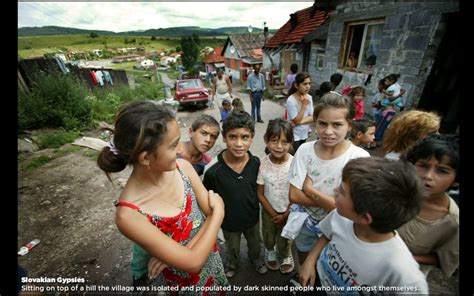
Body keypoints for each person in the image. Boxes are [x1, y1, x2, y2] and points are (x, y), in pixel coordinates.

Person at [96, 100, 228, 290]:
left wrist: (178, 254)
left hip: (213, 264)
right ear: (146, 157)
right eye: (173, 146)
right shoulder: (129, 215)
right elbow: (192, 263)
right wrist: (220, 212)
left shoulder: (183, 168)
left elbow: (205, 227)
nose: (181, 150)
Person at [298, 157, 428, 294]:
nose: (335, 190)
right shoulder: (341, 215)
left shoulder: (404, 274)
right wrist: (310, 261)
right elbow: (327, 234)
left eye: (342, 191)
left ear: (365, 218)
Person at [288, 92, 370, 264]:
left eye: (337, 125)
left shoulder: (359, 158)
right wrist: (333, 202)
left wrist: (309, 190)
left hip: (339, 226)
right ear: (315, 122)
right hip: (305, 221)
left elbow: (347, 208)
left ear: (350, 126)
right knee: (303, 253)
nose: (328, 132)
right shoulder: (305, 150)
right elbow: (294, 196)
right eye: (322, 124)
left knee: (330, 261)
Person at [203, 109, 267, 278]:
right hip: (229, 222)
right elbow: (207, 198)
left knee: (255, 243)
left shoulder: (256, 164)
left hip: (252, 217)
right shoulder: (213, 171)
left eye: (244, 137)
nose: (239, 144)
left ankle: (256, 258)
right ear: (224, 138)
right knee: (233, 246)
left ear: (252, 137)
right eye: (233, 137)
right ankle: (233, 262)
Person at [398, 134, 459, 278]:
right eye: (423, 166)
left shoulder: (452, 221)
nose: (428, 176)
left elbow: (444, 259)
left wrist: (400, 257)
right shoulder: (395, 192)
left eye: (442, 171)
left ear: (456, 180)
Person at [257, 118, 295, 274]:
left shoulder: (295, 164)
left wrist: (286, 214)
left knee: (286, 237)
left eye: (285, 142)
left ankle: (286, 254)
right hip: (268, 211)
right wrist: (274, 214)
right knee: (269, 235)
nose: (279, 147)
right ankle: (269, 250)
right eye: (274, 141)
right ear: (266, 140)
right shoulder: (262, 164)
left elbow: (297, 193)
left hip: (290, 210)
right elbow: (259, 193)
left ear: (291, 143)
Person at [373, 74, 407, 145]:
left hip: (387, 112)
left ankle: (374, 142)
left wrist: (399, 94)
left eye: (380, 85)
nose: (379, 86)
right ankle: (378, 142)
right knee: (382, 127)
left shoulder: (388, 92)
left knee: (380, 127)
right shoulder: (392, 91)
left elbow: (390, 99)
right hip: (390, 112)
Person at [286, 72, 314, 154]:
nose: (308, 86)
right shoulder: (291, 100)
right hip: (294, 134)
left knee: (300, 154)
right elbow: (297, 120)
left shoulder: (309, 97)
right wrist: (304, 105)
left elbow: (312, 117)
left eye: (309, 83)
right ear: (296, 85)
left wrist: (296, 122)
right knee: (294, 156)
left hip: (304, 133)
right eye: (304, 84)